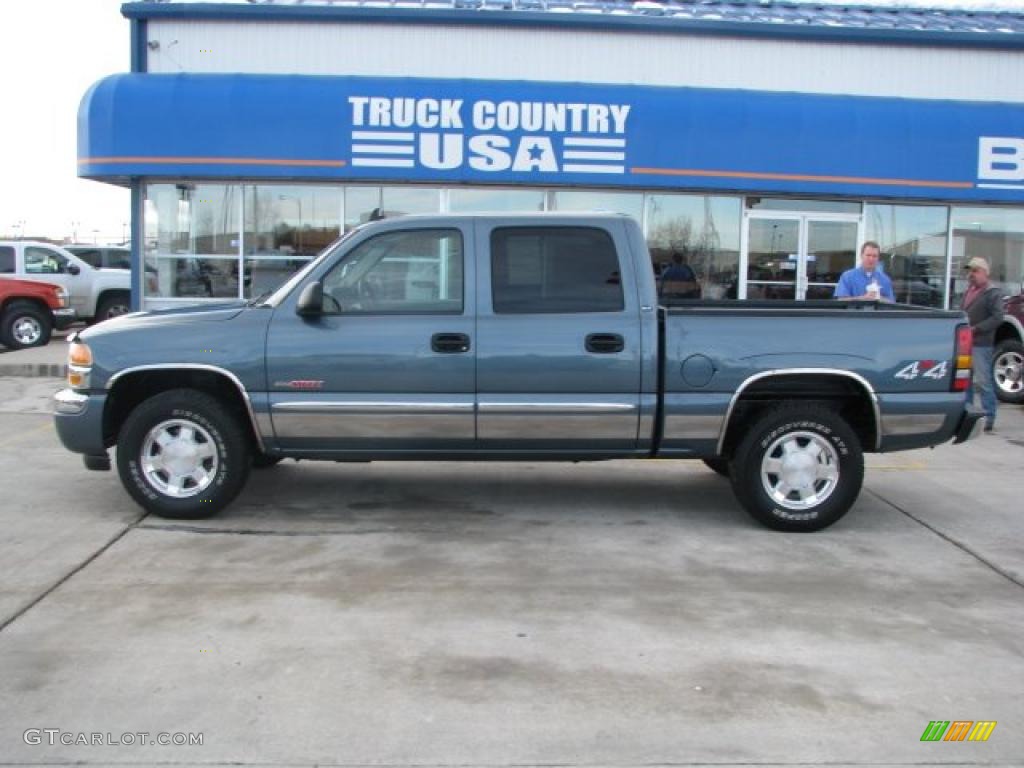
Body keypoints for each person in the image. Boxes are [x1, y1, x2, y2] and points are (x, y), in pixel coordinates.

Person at [961, 256, 1004, 433]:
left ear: (985, 272)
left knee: (984, 381)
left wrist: (976, 329)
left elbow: (998, 317)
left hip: (981, 344)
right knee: (965, 381)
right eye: (970, 271)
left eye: (975, 271)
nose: (972, 275)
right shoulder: (969, 290)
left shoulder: (993, 292)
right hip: (966, 344)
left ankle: (989, 416)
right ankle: (968, 414)